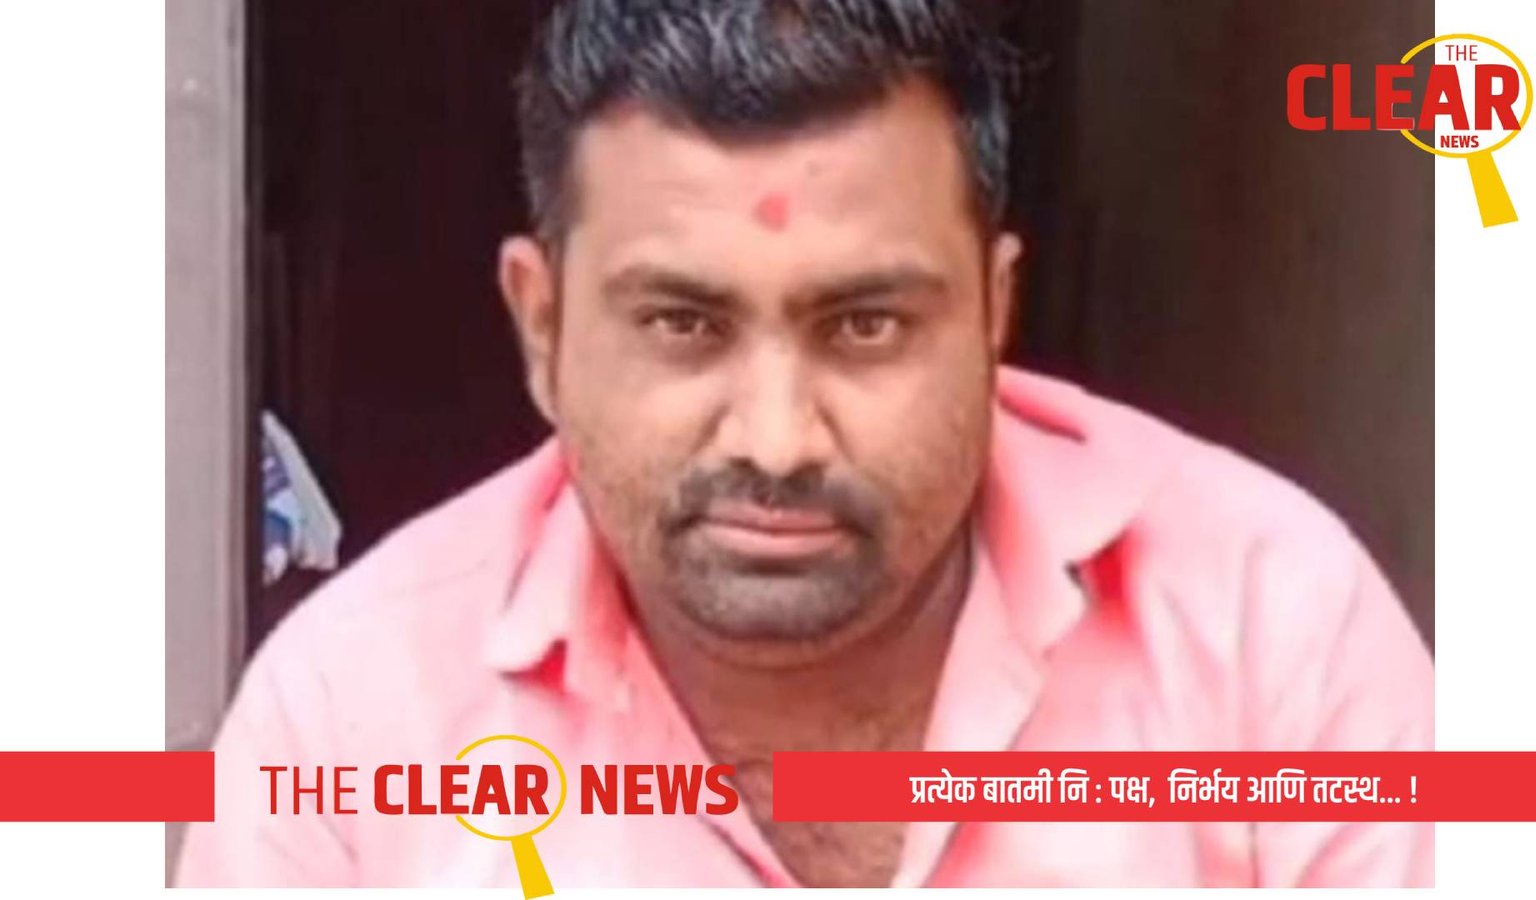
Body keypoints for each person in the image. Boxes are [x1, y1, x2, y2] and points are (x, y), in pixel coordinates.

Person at [178, 0, 1433, 888]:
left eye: (865, 324)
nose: (776, 441)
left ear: (993, 313)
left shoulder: (1267, 627)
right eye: (682, 324)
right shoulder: (350, 712)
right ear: (542, 329)